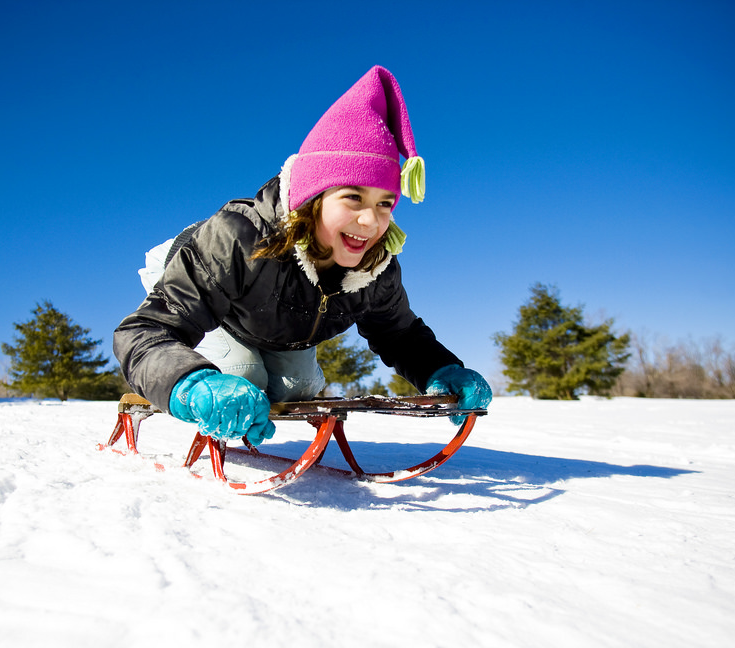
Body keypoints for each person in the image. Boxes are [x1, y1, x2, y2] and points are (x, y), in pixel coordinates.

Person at [113, 65, 491, 446]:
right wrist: (189, 383)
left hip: (273, 323)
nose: (370, 220)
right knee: (244, 377)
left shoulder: (376, 267)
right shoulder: (240, 238)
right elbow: (144, 331)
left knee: (300, 389)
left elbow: (399, 333)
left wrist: (442, 369)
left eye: (385, 203)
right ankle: (211, 377)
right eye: (353, 197)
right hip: (198, 278)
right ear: (314, 198)